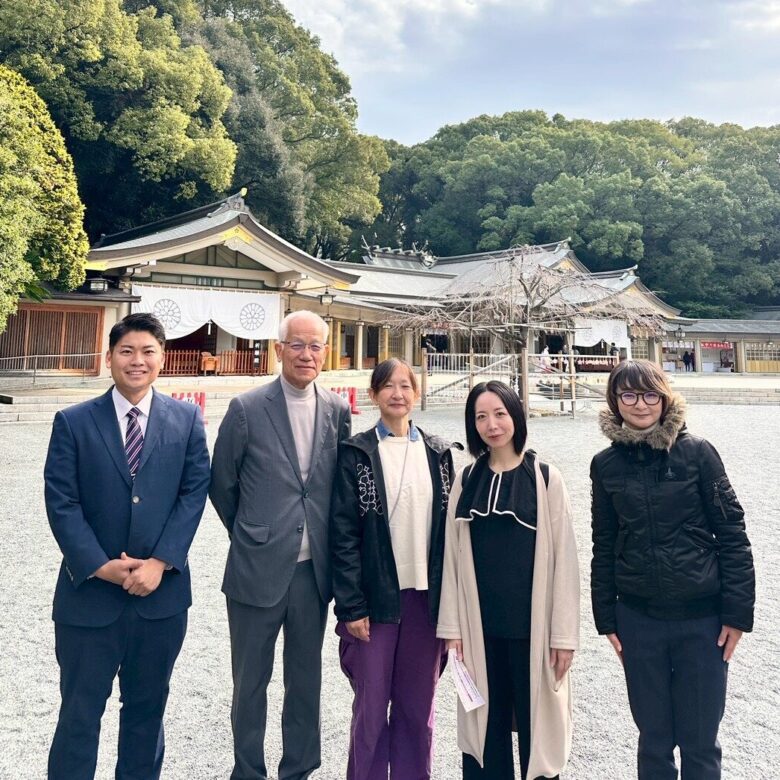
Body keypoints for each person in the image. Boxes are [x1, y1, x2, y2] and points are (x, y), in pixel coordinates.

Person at [44, 312, 211, 780]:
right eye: (126, 351)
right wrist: (99, 566)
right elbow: (62, 500)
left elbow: (194, 491)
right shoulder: (74, 422)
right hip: (89, 597)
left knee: (146, 712)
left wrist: (161, 561)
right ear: (110, 357)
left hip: (160, 598)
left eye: (147, 351)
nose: (137, 361)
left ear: (162, 358)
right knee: (79, 714)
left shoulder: (187, 418)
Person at [590, 359, 755, 779]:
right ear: (615, 401)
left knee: (701, 742)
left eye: (650, 394)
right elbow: (604, 542)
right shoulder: (605, 465)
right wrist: (605, 616)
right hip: (639, 617)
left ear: (665, 398)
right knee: (654, 740)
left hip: (702, 619)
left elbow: (732, 532)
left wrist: (736, 614)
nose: (640, 404)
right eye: (628, 394)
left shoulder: (698, 453)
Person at [210, 310, 351, 780]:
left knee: (305, 680)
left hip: (313, 572)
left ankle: (299, 769)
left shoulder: (337, 409)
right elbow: (223, 484)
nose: (306, 354)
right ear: (278, 349)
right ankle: (247, 770)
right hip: (256, 566)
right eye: (297, 344)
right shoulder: (247, 408)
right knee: (249, 682)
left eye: (315, 346)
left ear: (325, 353)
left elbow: (336, 488)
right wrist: (253, 533)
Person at [437, 381, 580, 780]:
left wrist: (563, 636)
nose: (491, 424)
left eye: (499, 413)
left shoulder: (545, 478)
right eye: (481, 416)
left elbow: (566, 561)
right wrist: (452, 629)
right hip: (480, 628)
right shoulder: (466, 481)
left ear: (515, 415)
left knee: (539, 735)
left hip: (531, 629)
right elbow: (451, 556)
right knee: (485, 732)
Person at [330, 358, 456, 780]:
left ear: (416, 394)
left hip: (426, 600)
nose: (397, 394)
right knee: (370, 710)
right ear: (373, 395)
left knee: (418, 709)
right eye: (387, 386)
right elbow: (343, 535)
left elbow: (452, 538)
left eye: (405, 386)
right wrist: (351, 606)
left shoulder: (439, 454)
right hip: (375, 600)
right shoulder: (357, 453)